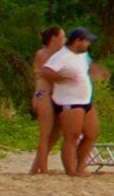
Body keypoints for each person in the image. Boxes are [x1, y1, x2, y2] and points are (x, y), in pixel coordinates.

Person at [42, 27, 98, 176]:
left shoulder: (82, 55)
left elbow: (87, 67)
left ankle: (80, 165)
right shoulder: (62, 56)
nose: (88, 44)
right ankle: (71, 169)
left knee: (91, 133)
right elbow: (46, 70)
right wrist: (60, 78)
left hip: (85, 100)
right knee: (72, 136)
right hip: (69, 101)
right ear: (77, 41)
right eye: (86, 41)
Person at [26, 24, 67, 175]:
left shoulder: (59, 54)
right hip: (43, 94)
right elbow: (51, 74)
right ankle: (43, 169)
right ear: (55, 38)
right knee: (46, 134)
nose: (65, 39)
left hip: (54, 95)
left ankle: (35, 167)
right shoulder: (43, 54)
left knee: (55, 134)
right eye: (63, 36)